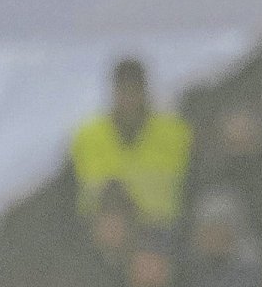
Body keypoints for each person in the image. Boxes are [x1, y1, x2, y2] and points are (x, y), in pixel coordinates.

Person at [68, 58, 193, 228]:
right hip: (101, 240)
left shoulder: (175, 134)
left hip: (161, 238)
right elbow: (66, 198)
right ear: (114, 90)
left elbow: (192, 188)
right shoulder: (86, 136)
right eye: (123, 90)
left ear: (144, 90)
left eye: (134, 90)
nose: (129, 98)